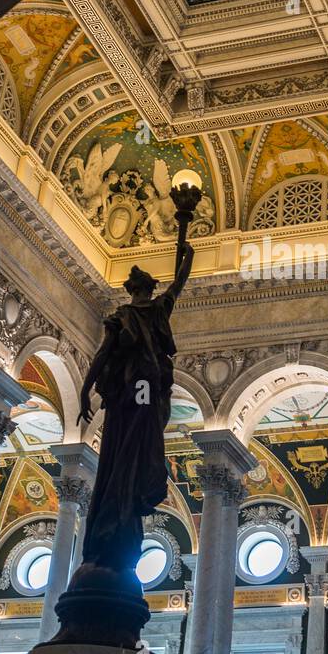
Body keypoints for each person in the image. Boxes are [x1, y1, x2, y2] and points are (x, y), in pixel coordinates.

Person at [75, 243, 194, 574]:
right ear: (147, 288)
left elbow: (101, 356)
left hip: (138, 395)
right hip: (139, 394)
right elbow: (179, 283)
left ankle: (123, 510)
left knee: (128, 455)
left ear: (132, 290)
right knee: (130, 455)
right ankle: (123, 511)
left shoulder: (133, 315)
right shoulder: (145, 313)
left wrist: (87, 389)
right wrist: (188, 256)